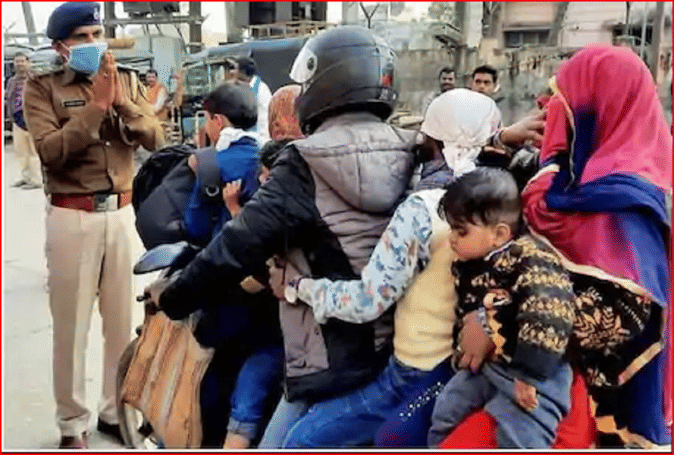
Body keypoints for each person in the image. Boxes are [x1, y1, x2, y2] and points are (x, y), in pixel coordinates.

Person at [145, 25, 416, 449]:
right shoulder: (413, 148)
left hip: (327, 354)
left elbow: (238, 244)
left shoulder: (306, 162)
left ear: (325, 86)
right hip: (394, 347)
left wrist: (176, 295)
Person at [266, 88, 500, 448]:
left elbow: (367, 300)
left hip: (414, 374)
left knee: (301, 441)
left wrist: (299, 288)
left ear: (431, 141)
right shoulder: (499, 201)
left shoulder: (423, 209)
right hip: (447, 368)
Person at [23, 2, 165, 449]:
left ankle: (113, 410)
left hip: (121, 213)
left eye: (96, 35)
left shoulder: (127, 80)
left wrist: (120, 102)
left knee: (121, 323)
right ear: (60, 47)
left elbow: (156, 137)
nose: (92, 44)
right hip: (73, 214)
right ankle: (72, 423)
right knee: (72, 328)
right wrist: (94, 108)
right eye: (81, 37)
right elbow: (49, 151)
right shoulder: (42, 87)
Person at [521, 44, 672, 448]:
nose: (559, 115)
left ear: (599, 113)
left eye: (568, 106)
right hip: (557, 386)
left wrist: (498, 327)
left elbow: (620, 315)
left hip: (596, 406)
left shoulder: (625, 203)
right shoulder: (579, 184)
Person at [427, 167, 575, 448]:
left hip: (534, 370)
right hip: (488, 366)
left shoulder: (528, 257)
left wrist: (529, 372)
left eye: (461, 231)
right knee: (446, 408)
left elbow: (549, 309)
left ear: (499, 234)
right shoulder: (469, 264)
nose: (452, 239)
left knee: (521, 434)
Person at [183, 81, 263, 245]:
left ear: (218, 120)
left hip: (227, 252)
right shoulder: (267, 156)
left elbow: (195, 227)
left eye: (207, 120)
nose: (206, 127)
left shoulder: (211, 164)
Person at [5, 52, 42, 189]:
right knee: (20, 151)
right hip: (17, 119)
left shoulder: (35, 79)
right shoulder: (12, 81)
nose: (20, 64)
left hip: (33, 118)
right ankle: (26, 177)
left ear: (28, 62)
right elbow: (9, 98)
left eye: (22, 61)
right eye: (17, 61)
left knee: (33, 151)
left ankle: (37, 179)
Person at [232, 57, 272, 143]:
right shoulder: (243, 87)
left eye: (235, 68)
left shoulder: (261, 89)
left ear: (242, 72)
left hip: (261, 138)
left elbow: (264, 118)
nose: (233, 72)